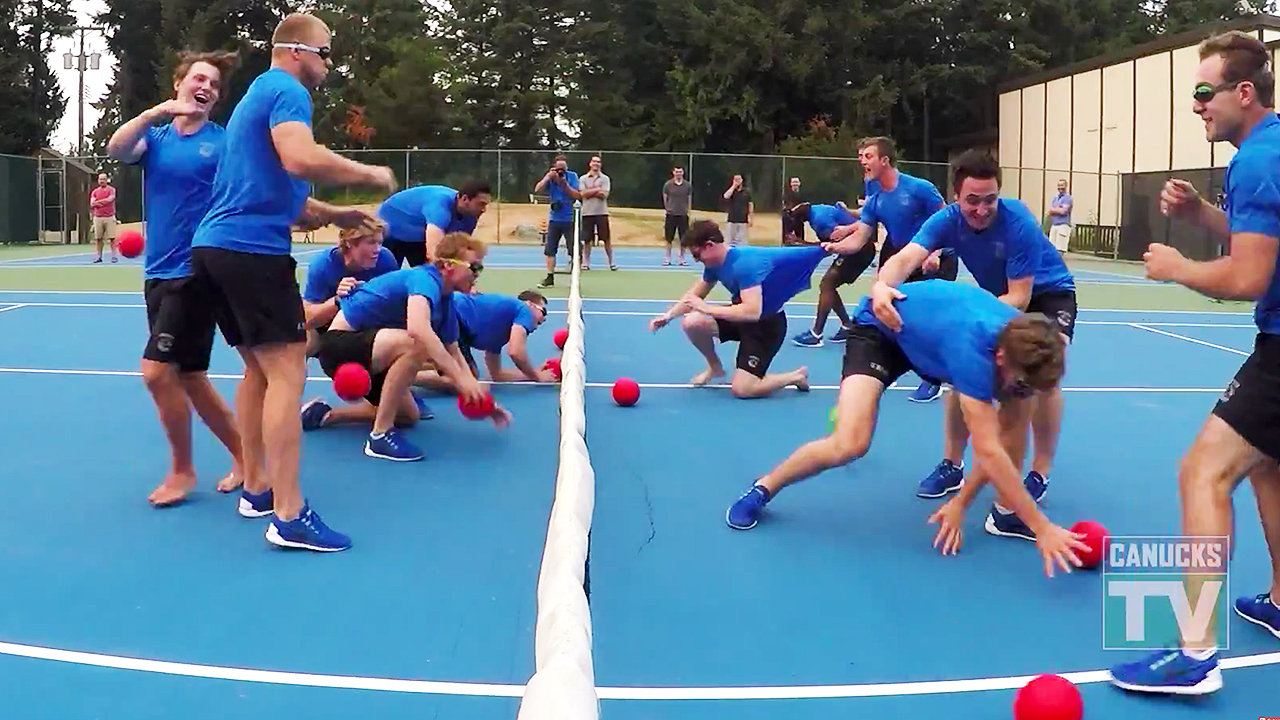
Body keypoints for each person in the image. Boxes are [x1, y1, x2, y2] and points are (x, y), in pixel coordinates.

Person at [1109, 30, 1280, 697]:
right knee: (1267, 465)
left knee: (1202, 471)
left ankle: (1195, 650)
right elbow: (1259, 242)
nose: (1197, 105)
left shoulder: (1259, 160)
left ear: (1244, 92)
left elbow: (1246, 277)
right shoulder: (1266, 150)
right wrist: (1201, 214)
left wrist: (1178, 267)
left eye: (1205, 93)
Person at [189, 12, 397, 553]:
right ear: (300, 51)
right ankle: (289, 513)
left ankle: (257, 487)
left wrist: (342, 215)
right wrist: (370, 174)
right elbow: (300, 157)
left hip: (217, 248)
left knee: (259, 369)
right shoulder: (286, 88)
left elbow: (293, 205)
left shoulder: (257, 98)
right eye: (327, 53)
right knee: (288, 370)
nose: (330, 63)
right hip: (250, 252)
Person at [725, 280, 1090, 577]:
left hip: (930, 345)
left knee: (1012, 424)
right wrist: (1042, 527)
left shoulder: (1024, 354)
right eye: (1023, 385)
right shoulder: (974, 352)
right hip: (883, 331)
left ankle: (985, 506)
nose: (1025, 392)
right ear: (1000, 358)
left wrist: (960, 504)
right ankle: (763, 488)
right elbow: (989, 451)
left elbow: (1004, 445)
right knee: (850, 443)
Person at [858, 150, 1076, 511]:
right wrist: (881, 287)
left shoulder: (1017, 220)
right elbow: (904, 258)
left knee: (1041, 378)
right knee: (963, 377)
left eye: (990, 199)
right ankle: (952, 465)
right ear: (957, 197)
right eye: (972, 200)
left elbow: (1020, 298)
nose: (981, 208)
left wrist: (963, 322)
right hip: (996, 301)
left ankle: (1039, 472)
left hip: (1047, 296)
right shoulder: (946, 220)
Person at [106, 50, 247, 507]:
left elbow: (243, 194)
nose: (205, 87)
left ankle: (183, 471)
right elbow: (117, 149)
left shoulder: (223, 144)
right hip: (157, 273)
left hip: (196, 272)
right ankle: (248, 456)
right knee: (190, 377)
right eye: (198, 79)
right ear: (180, 85)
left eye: (214, 86)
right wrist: (154, 113)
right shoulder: (157, 138)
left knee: (155, 372)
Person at [306, 232, 507, 462]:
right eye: (475, 267)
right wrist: (461, 382)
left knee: (408, 416)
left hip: (374, 351)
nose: (477, 274)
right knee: (418, 344)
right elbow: (419, 329)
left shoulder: (446, 300)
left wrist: (480, 398)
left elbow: (453, 351)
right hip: (339, 345)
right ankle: (379, 436)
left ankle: (326, 415)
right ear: (448, 266)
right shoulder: (424, 279)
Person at [798, 138, 949, 409]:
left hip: (935, 256)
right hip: (903, 258)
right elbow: (860, 239)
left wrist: (934, 254)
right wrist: (833, 246)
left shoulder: (919, 188)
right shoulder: (876, 198)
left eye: (868, 156)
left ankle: (935, 378)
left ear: (885, 161)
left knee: (929, 317)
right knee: (884, 305)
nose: (862, 161)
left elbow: (947, 219)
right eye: (861, 156)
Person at [647, 220, 827, 398]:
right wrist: (668, 316)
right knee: (692, 322)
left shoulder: (744, 264)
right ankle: (715, 368)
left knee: (743, 390)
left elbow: (752, 312)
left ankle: (795, 376)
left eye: (696, 255)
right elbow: (694, 296)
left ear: (709, 246)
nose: (697, 260)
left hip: (766, 327)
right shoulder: (715, 265)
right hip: (740, 319)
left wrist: (707, 309)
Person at [299, 221, 434, 428]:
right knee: (300, 344)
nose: (377, 250)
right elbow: (307, 319)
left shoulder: (386, 260)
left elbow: (392, 307)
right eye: (371, 243)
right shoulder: (323, 265)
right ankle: (286, 404)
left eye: (380, 243)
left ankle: (328, 414)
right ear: (350, 245)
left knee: (409, 417)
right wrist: (337, 300)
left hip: (364, 331)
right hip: (327, 330)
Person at [784, 202, 877, 347]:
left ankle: (816, 334)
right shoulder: (817, 210)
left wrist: (800, 243)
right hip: (858, 248)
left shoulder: (820, 220)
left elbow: (830, 247)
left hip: (859, 250)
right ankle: (847, 326)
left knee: (827, 284)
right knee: (828, 285)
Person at [377, 181, 492, 268]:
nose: (484, 210)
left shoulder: (471, 216)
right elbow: (434, 251)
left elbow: (461, 250)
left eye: (485, 205)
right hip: (391, 229)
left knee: (429, 276)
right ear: (465, 199)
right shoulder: (440, 205)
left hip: (417, 235)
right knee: (385, 274)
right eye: (481, 204)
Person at [454, 289, 558, 383]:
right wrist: (537, 377)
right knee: (465, 380)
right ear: (529, 304)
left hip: (456, 327)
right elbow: (516, 352)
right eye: (543, 312)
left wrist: (533, 373)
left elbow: (497, 375)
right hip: (452, 316)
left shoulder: (498, 334)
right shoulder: (523, 310)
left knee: (469, 376)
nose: (544, 319)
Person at [536, 155, 582, 288]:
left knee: (574, 249)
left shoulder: (572, 176)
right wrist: (547, 178)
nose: (560, 172)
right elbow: (537, 189)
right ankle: (549, 277)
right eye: (558, 169)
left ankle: (575, 277)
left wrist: (563, 183)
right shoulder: (550, 178)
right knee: (550, 250)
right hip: (554, 218)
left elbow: (576, 195)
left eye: (563, 169)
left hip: (570, 218)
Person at [579, 155, 614, 270]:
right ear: (590, 163)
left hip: (601, 212)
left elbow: (604, 195)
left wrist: (590, 191)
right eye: (594, 161)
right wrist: (596, 189)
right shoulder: (583, 179)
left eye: (598, 162)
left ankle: (611, 262)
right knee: (587, 240)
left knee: (606, 238)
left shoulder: (605, 179)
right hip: (587, 213)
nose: (596, 164)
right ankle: (585, 263)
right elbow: (583, 194)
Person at [661, 166, 692, 266]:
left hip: (683, 214)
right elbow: (665, 198)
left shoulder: (687, 185)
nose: (678, 173)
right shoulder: (668, 185)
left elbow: (689, 198)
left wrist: (687, 210)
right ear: (673, 173)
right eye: (677, 172)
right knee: (669, 238)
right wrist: (668, 208)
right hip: (671, 214)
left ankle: (681, 258)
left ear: (683, 173)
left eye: (680, 172)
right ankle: (667, 258)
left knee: (683, 238)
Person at [90, 173, 119, 263]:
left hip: (109, 217)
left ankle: (114, 256)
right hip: (98, 217)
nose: (102, 181)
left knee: (112, 238)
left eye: (104, 179)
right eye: (100, 179)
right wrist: (101, 202)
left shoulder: (111, 190)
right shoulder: (95, 191)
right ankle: (98, 256)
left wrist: (98, 202)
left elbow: (110, 199)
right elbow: (92, 203)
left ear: (107, 180)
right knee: (98, 238)